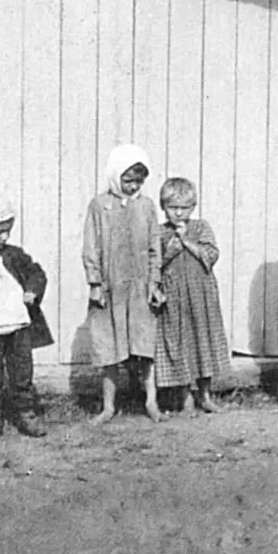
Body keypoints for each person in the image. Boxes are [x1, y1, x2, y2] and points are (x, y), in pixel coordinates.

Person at [82, 144, 164, 424]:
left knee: (144, 345)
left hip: (139, 288)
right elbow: (91, 246)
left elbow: (155, 247)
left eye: (138, 181)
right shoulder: (99, 206)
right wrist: (95, 282)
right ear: (115, 176)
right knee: (109, 347)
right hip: (110, 287)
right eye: (127, 180)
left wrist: (154, 283)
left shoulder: (146, 206)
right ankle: (108, 406)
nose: (133, 186)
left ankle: (151, 401)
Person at [0, 192, 52, 442]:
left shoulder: (15, 255)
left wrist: (32, 290)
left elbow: (36, 273)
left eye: (7, 230)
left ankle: (26, 414)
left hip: (18, 324)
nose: (5, 237)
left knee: (22, 372)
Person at [154, 177, 229, 414]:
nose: (178, 213)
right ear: (163, 207)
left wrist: (186, 241)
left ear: (193, 207)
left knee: (202, 342)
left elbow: (212, 254)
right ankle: (185, 397)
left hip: (200, 296)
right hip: (174, 297)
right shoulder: (160, 233)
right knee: (179, 344)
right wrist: (170, 252)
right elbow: (153, 264)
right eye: (172, 208)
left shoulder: (200, 227)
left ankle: (205, 395)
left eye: (184, 208)